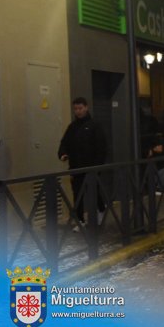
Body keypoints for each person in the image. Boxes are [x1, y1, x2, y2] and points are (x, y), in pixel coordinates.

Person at [58, 97, 107, 230]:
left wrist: (98, 166)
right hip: (76, 167)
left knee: (93, 192)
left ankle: (100, 211)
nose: (78, 111)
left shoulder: (95, 125)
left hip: (91, 167)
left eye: (80, 108)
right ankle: (80, 220)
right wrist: (62, 154)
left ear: (86, 108)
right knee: (77, 194)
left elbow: (101, 147)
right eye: (75, 109)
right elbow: (64, 142)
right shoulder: (72, 127)